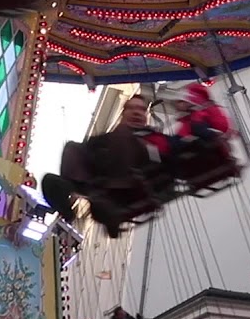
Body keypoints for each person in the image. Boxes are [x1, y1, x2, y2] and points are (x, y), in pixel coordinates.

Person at [42, 95, 173, 237]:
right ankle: (70, 209)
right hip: (99, 184)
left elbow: (166, 162)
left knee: (123, 139)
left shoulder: (153, 139)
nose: (136, 112)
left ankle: (107, 208)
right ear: (124, 113)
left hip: (131, 186)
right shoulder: (106, 140)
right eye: (132, 108)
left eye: (141, 109)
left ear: (146, 115)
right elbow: (86, 150)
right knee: (53, 177)